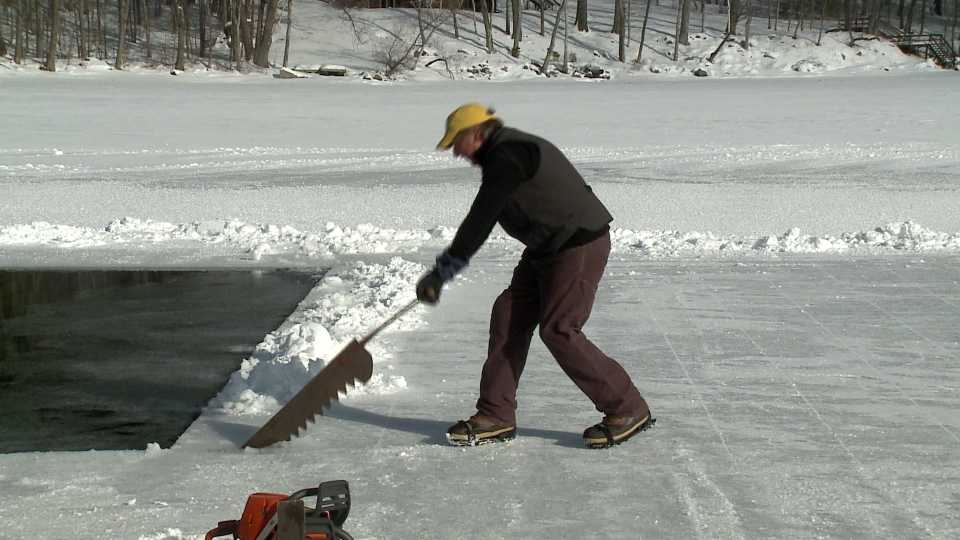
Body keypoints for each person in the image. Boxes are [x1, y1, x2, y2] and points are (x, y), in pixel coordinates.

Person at [417, 103, 654, 449]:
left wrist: (442, 271)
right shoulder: (504, 155)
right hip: (547, 248)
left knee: (559, 329)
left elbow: (481, 219)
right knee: (508, 314)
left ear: (477, 134)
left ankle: (627, 408)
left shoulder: (509, 155)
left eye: (457, 142)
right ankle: (495, 414)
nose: (455, 152)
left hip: (578, 244)